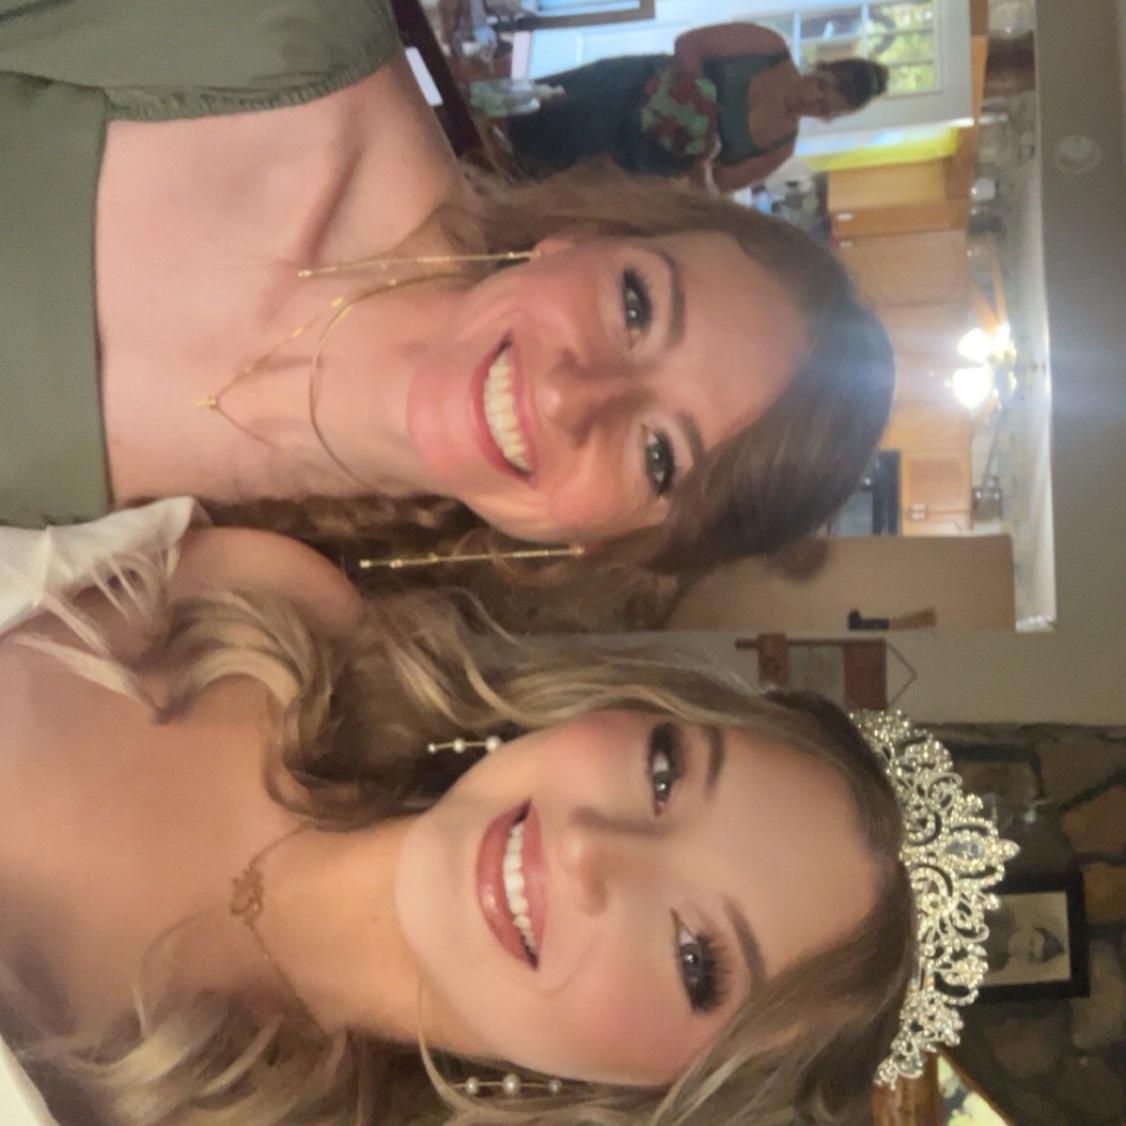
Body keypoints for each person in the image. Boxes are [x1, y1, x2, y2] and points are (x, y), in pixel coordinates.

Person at [0, 530, 1016, 1125]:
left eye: (696, 956)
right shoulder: (264, 610)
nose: (587, 848)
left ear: (658, 1095)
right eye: (664, 772)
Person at [1, 0, 894, 629]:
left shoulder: (289, 637)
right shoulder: (283, 46)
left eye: (660, 456)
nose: (570, 396)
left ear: (604, 544)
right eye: (636, 306)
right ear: (582, 237)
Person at [506, 23, 889, 191]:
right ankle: (467, 110)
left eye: (825, 107)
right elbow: (691, 43)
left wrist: (702, 160)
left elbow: (714, 187)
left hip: (633, 159)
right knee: (526, 105)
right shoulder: (768, 47)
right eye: (821, 86)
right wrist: (692, 94)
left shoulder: (779, 149)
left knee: (528, 170)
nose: (812, 101)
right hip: (624, 89)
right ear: (821, 68)